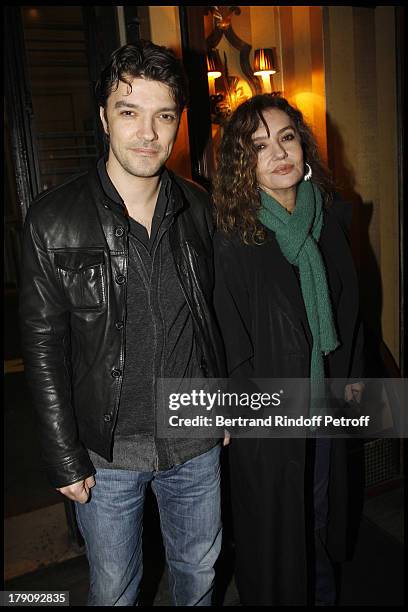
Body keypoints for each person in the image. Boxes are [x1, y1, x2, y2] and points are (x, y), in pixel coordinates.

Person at [19, 41, 228, 607]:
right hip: (106, 452)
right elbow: (43, 349)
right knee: (113, 592)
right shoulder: (53, 219)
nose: (147, 132)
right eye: (129, 112)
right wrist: (65, 456)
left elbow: (215, 316)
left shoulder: (198, 208)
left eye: (163, 115)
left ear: (178, 122)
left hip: (196, 439)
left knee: (200, 576)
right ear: (104, 117)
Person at [212, 94, 364, 606]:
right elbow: (227, 334)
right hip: (268, 417)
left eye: (286, 137)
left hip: (323, 405)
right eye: (259, 146)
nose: (278, 152)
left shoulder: (331, 221)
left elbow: (351, 317)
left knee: (317, 518)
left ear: (303, 145)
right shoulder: (235, 236)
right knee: (276, 532)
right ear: (243, 163)